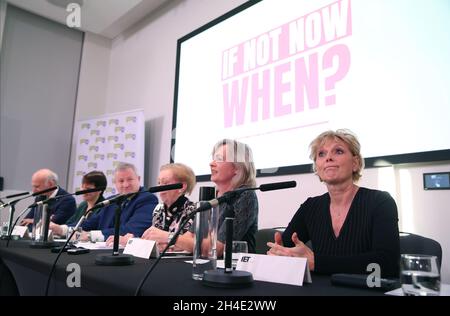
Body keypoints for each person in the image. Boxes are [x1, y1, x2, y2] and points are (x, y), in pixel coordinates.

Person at [267, 129, 400, 277]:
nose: (328, 158)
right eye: (321, 154)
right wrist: (281, 252)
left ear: (355, 163)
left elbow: (387, 263)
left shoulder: (380, 202)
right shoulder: (310, 207)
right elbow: (287, 246)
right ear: (317, 167)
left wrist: (317, 262)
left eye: (338, 151)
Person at [173, 139, 259, 256]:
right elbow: (190, 237)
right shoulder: (211, 197)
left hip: (236, 270)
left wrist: (169, 238)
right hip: (207, 267)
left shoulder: (245, 195)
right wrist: (175, 242)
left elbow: (217, 249)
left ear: (237, 167)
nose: (211, 163)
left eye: (218, 159)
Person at [106, 163, 197, 248]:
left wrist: (166, 240)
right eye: (159, 183)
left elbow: (193, 245)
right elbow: (153, 243)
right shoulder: (159, 210)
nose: (159, 187)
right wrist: (131, 241)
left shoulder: (193, 211)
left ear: (182, 186)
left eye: (165, 183)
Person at [78, 162, 158, 242]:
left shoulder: (148, 199)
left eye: (130, 179)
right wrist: (68, 230)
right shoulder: (111, 201)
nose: (126, 185)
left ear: (139, 179)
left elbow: (132, 229)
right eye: (121, 181)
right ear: (115, 183)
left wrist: (91, 236)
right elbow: (91, 223)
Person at [49, 171, 107, 237]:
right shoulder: (83, 205)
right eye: (82, 187)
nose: (83, 191)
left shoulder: (104, 207)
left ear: (100, 190)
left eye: (88, 189)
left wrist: (61, 229)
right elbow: (70, 222)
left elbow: (90, 226)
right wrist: (59, 228)